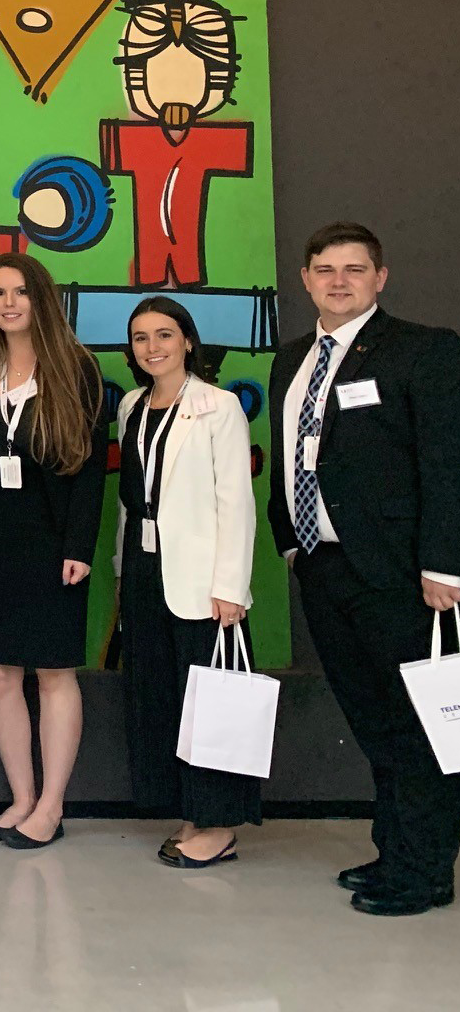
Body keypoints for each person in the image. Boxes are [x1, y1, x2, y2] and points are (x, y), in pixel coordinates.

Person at [267, 221, 460, 916]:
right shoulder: (291, 359)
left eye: (353, 269)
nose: (338, 280)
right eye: (324, 269)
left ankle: (424, 871)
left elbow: (446, 463)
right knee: (373, 720)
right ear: (305, 279)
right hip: (323, 568)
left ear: (379, 278)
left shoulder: (423, 352)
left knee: (416, 726)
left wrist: (446, 564)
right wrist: (291, 542)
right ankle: (393, 849)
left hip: (402, 576)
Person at [0, 251, 107, 850]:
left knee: (54, 672)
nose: (7, 303)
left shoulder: (78, 370)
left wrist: (80, 545)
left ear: (42, 299)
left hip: (53, 542)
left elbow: (90, 471)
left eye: (19, 292)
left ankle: (52, 805)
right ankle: (21, 797)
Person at [113, 296, 260, 868]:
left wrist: (231, 586)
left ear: (188, 342)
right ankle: (190, 811)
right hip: (147, 570)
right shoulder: (131, 405)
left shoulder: (218, 407)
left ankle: (219, 822)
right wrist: (125, 574)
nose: (153, 347)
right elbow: (132, 499)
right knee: (161, 697)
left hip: (203, 580)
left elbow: (236, 502)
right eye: (142, 337)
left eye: (164, 335)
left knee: (209, 701)